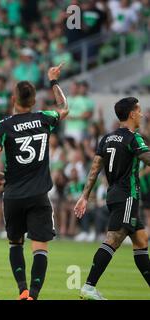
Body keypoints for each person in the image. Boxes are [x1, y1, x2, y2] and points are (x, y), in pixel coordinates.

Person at [0, 64, 69, 300]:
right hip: (38, 195)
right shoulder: (45, 118)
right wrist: (53, 81)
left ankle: (22, 289)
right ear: (34, 102)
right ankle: (33, 294)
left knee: (15, 244)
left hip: (13, 195)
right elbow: (64, 108)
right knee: (40, 247)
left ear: (14, 98)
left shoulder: (3, 126)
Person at [74, 97, 150, 300]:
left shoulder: (107, 138)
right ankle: (89, 286)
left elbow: (95, 168)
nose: (141, 114)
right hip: (128, 196)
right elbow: (148, 158)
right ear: (132, 114)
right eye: (139, 111)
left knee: (141, 241)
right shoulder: (135, 139)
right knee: (114, 239)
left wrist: (84, 195)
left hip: (114, 195)